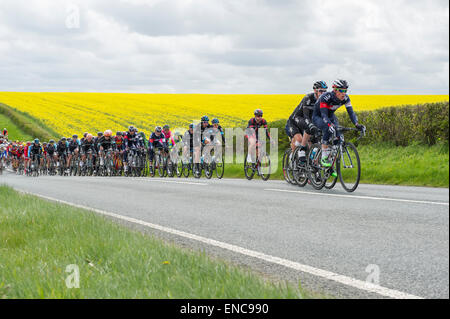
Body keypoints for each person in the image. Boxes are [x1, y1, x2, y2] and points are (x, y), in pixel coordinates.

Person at [313, 79, 365, 169]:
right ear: (335, 90)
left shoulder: (346, 98)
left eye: (345, 91)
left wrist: (356, 124)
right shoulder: (326, 97)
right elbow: (324, 114)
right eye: (341, 90)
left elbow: (351, 113)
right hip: (319, 116)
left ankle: (331, 164)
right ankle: (324, 157)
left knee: (339, 136)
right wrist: (329, 125)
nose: (343, 93)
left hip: (331, 116)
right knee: (328, 129)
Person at [286, 81, 327, 163]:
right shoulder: (308, 98)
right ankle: (293, 158)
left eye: (325, 91)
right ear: (315, 90)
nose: (323, 93)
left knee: (314, 144)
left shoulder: (324, 100)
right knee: (299, 139)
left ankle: (312, 166)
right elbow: (306, 116)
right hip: (296, 120)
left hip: (307, 122)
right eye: (321, 91)